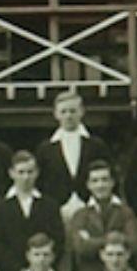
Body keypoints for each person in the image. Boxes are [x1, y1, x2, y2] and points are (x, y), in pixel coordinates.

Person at [0, 151, 65, 271]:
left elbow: (58, 239)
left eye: (30, 172)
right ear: (11, 173)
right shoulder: (0, 207)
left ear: (37, 172)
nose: (26, 177)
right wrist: (18, 270)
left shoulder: (50, 205)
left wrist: (41, 265)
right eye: (21, 172)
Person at [36, 91, 111, 223]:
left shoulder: (96, 145)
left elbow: (108, 175)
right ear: (56, 114)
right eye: (64, 112)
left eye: (72, 111)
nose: (68, 116)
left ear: (81, 112)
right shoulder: (46, 148)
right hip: (57, 209)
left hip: (89, 206)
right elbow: (40, 181)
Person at [70, 159, 137, 271]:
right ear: (88, 185)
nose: (100, 185)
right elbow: (80, 247)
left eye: (104, 180)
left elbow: (134, 244)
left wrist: (93, 241)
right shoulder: (80, 215)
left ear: (112, 182)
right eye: (95, 181)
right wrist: (114, 238)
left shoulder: (125, 212)